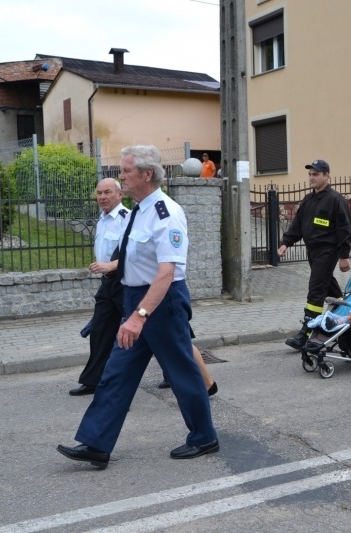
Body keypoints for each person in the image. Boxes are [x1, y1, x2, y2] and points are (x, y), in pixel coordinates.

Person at [57, 145, 218, 469]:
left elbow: (166, 272)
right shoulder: (139, 210)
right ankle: (96, 444)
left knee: (183, 373)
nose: (121, 176)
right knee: (116, 373)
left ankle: (204, 437)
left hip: (162, 303)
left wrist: (139, 317)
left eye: (126, 171)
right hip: (136, 301)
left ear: (146, 174)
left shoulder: (166, 213)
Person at [279, 159, 351, 350]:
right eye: (310, 174)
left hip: (328, 251)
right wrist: (286, 242)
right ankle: (349, 321)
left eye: (316, 174)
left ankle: (306, 333)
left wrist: (344, 255)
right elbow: (297, 225)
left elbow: (345, 229)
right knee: (331, 291)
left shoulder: (335, 200)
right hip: (312, 252)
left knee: (316, 290)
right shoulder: (308, 199)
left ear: (327, 176)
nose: (311, 178)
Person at [69, 179, 130, 396]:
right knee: (100, 330)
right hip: (108, 284)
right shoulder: (103, 219)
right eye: (99, 193)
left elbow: (132, 256)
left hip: (126, 283)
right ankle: (93, 381)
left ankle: (172, 373)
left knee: (148, 331)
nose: (102, 197)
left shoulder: (127, 219)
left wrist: (110, 265)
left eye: (107, 192)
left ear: (120, 194)